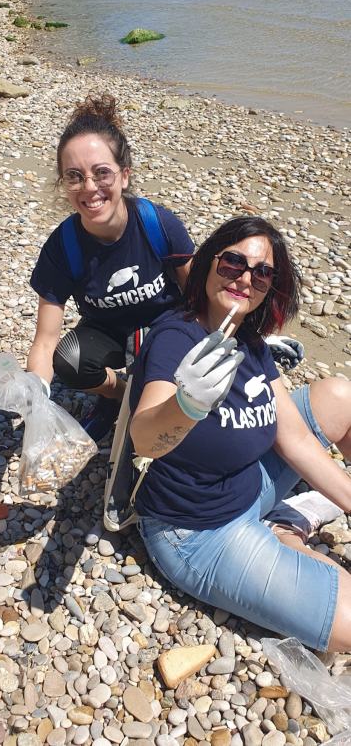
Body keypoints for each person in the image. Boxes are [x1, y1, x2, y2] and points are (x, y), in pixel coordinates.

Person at [130, 216, 351, 652]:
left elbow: (295, 440)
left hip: (249, 482)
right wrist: (186, 405)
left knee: (341, 396)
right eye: (233, 263)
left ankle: (283, 524)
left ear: (271, 287)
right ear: (209, 263)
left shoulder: (248, 340)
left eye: (262, 272)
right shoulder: (176, 337)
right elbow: (144, 438)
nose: (245, 278)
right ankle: (284, 531)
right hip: (199, 532)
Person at [27, 93, 194, 442]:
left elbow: (198, 297)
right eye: (74, 176)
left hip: (164, 326)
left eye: (101, 173)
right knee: (69, 359)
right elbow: (45, 341)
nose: (89, 188)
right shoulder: (63, 245)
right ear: (64, 184)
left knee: (165, 380)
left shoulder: (157, 224)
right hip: (109, 330)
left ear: (124, 176)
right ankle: (118, 396)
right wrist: (35, 403)